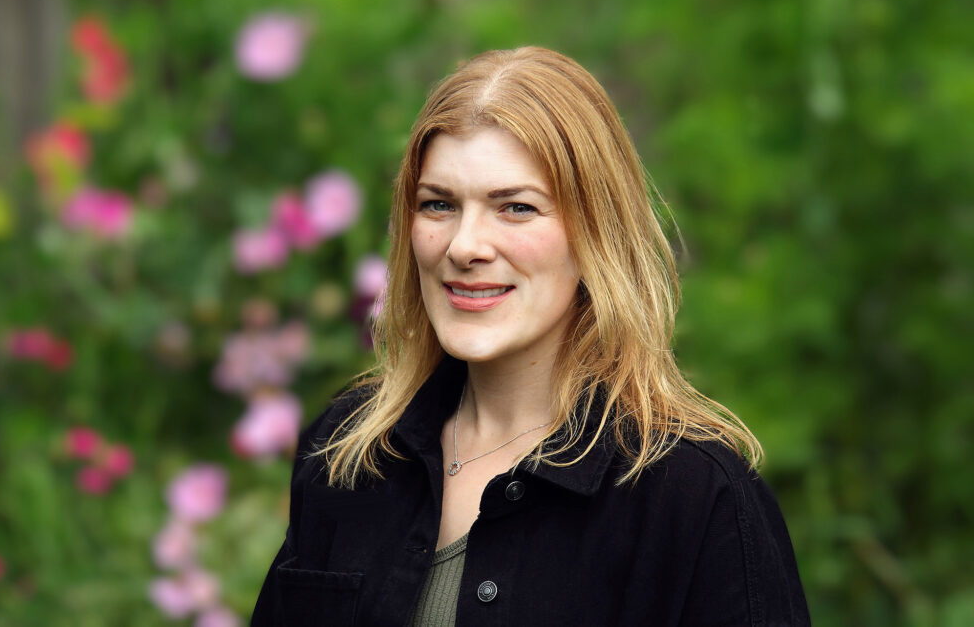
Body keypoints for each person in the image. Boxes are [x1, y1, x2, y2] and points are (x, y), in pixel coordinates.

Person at [252, 46, 810, 626]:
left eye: (515, 208)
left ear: (596, 232)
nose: (464, 246)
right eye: (438, 204)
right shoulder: (346, 452)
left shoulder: (695, 500)